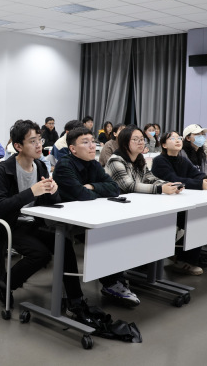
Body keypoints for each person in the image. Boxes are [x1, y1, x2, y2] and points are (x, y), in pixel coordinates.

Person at [0, 120, 100, 324]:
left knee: (63, 243)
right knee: (40, 254)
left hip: (33, 222)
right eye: (32, 141)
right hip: (8, 224)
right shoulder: (4, 170)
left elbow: (49, 202)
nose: (39, 145)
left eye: (39, 140)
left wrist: (53, 191)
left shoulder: (40, 165)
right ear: (18, 146)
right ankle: (5, 282)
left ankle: (76, 300)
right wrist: (31, 192)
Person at [54, 127, 142, 307]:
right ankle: (110, 284)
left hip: (89, 215)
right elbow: (81, 194)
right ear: (72, 149)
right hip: (64, 221)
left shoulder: (93, 164)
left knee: (114, 233)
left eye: (93, 141)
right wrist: (92, 190)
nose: (92, 146)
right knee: (103, 236)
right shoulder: (64, 165)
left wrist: (92, 187)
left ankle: (113, 282)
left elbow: (114, 189)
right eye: (85, 142)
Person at [152, 131, 207, 275]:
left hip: (180, 202)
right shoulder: (159, 161)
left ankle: (182, 256)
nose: (177, 140)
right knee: (194, 220)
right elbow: (173, 180)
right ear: (164, 145)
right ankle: (184, 260)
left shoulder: (182, 160)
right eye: (172, 138)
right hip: (162, 207)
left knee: (199, 217)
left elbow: (196, 174)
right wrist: (200, 184)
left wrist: (206, 179)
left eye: (179, 138)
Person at [105, 125, 181, 196]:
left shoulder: (139, 159)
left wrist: (170, 185)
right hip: (117, 202)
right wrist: (160, 189)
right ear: (124, 143)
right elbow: (129, 186)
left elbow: (150, 178)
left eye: (142, 139)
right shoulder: (115, 161)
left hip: (136, 199)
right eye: (135, 139)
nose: (141, 142)